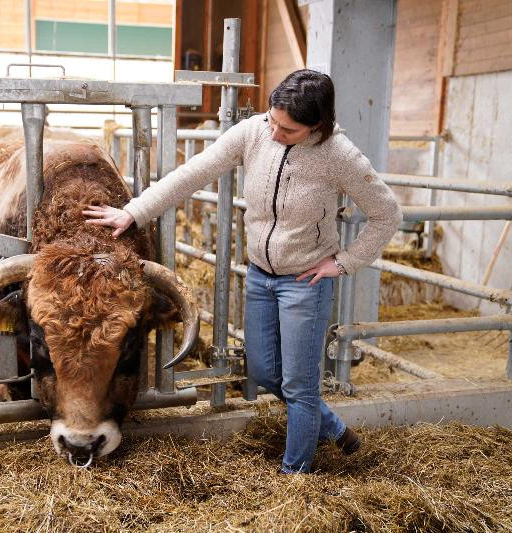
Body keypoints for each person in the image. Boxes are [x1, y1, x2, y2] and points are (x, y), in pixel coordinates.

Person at [83, 69, 402, 474]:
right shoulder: (254, 132)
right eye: (272, 120)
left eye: (287, 130)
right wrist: (134, 212)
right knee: (264, 370)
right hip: (260, 276)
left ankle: (294, 476)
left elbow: (387, 213)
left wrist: (344, 262)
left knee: (300, 387)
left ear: (316, 126)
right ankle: (335, 429)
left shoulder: (339, 156)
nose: (274, 134)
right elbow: (194, 171)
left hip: (305, 282)